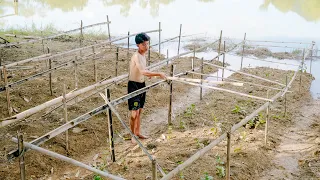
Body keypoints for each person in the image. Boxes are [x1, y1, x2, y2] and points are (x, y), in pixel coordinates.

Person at [128, 33, 166, 143]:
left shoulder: (143, 56)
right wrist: (158, 74)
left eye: (147, 44)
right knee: (134, 113)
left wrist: (149, 76)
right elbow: (142, 71)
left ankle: (138, 132)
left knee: (140, 111)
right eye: (144, 44)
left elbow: (143, 72)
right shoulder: (136, 56)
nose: (146, 47)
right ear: (138, 45)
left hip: (142, 84)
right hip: (133, 86)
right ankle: (132, 134)